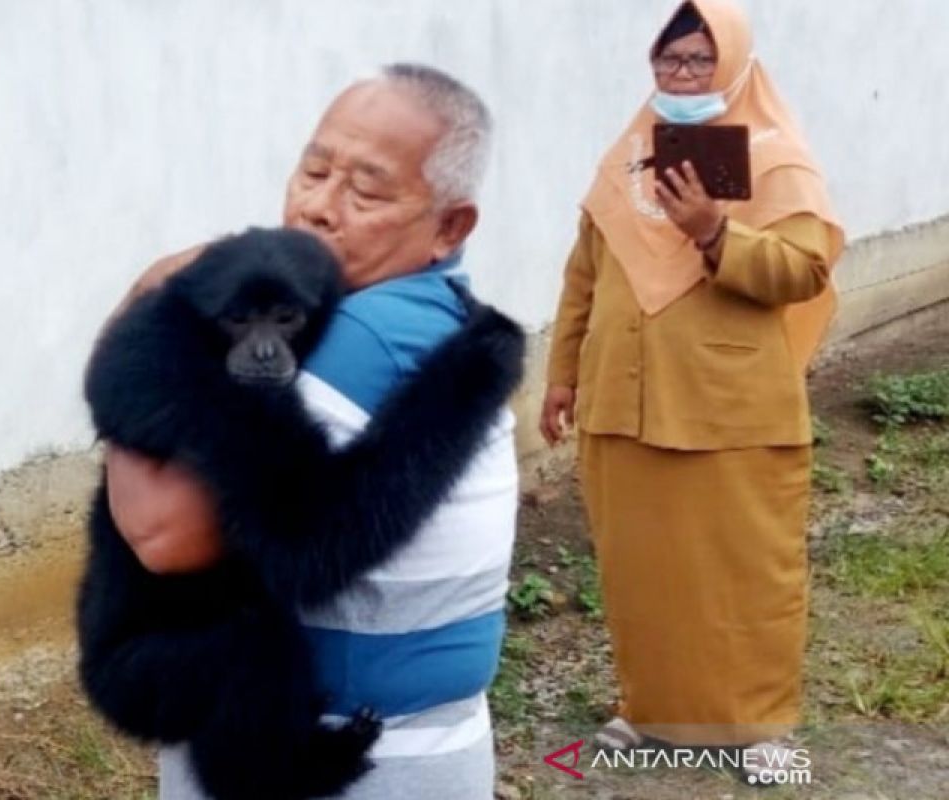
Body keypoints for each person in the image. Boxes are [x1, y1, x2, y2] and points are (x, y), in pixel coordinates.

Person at [105, 64, 518, 799]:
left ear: (449, 225)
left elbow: (163, 533)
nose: (319, 208)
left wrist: (156, 305)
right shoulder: (436, 313)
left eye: (364, 190)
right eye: (314, 170)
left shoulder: (359, 335)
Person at [539, 0, 842, 780]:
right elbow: (586, 275)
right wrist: (563, 372)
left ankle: (761, 730)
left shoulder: (777, 159)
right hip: (624, 404)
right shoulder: (629, 155)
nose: (680, 75)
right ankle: (651, 711)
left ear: (733, 63)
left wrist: (715, 231)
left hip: (731, 408)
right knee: (643, 573)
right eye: (668, 60)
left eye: (698, 60)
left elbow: (804, 271)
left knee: (746, 570)